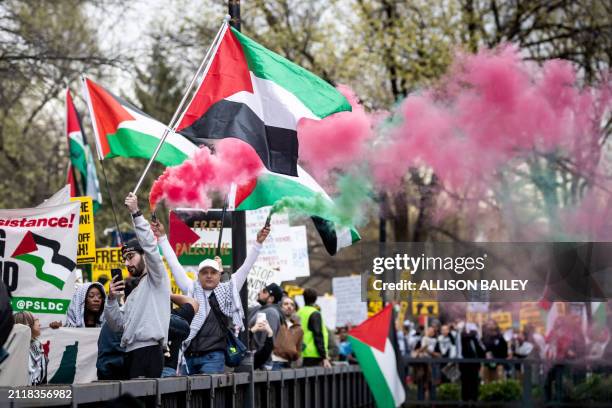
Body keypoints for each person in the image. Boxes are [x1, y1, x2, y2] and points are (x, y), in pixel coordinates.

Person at [151, 219, 270, 374]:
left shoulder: (228, 290)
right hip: (188, 355)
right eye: (204, 272)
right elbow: (174, 264)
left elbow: (246, 267)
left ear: (219, 275)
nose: (209, 276)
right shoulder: (191, 288)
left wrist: (258, 243)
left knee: (209, 396)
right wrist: (162, 238)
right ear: (198, 275)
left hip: (214, 356)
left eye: (213, 272)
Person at [104, 193, 171, 379]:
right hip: (130, 353)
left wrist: (135, 213)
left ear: (144, 256)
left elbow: (150, 245)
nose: (126, 264)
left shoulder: (156, 278)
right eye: (124, 259)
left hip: (149, 352)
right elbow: (117, 325)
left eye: (130, 257)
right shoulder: (134, 291)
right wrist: (111, 299)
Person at [248, 283, 284, 369]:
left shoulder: (271, 312)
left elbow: (265, 340)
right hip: (255, 361)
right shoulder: (260, 309)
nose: (259, 292)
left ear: (271, 298)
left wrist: (258, 363)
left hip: (260, 365)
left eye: (264, 291)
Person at [162, 294, 199, 377]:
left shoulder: (135, 316)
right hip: (167, 369)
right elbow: (193, 303)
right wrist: (167, 294)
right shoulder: (175, 317)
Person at [296, 288, 331, 368]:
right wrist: (324, 356)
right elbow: (318, 335)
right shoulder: (315, 313)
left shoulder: (298, 313)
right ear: (316, 299)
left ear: (303, 298)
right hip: (313, 354)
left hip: (300, 354)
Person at [13, 311, 47, 385]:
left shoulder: (37, 346)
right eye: (36, 321)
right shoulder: (17, 350)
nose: (40, 324)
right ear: (27, 325)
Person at [271, 296, 303, 369]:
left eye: (292, 304)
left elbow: (299, 347)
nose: (289, 306)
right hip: (275, 362)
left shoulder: (298, 327)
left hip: (290, 364)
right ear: (280, 307)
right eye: (286, 304)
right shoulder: (276, 321)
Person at [412, 326, 440, 401]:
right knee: (421, 386)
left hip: (432, 365)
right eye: (428, 331)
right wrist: (422, 348)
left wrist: (429, 352)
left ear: (434, 333)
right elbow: (414, 353)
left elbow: (439, 355)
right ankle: (420, 403)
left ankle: (433, 403)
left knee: (432, 385)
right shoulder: (420, 341)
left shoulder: (436, 342)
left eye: (431, 331)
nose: (429, 332)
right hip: (421, 366)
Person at [459, 323, 485, 403]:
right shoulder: (463, 338)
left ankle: (474, 401)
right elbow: (463, 336)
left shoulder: (475, 339)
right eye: (473, 330)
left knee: (474, 384)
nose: (475, 331)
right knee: (465, 384)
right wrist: (472, 334)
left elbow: (481, 350)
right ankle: (465, 401)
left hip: (475, 365)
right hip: (465, 365)